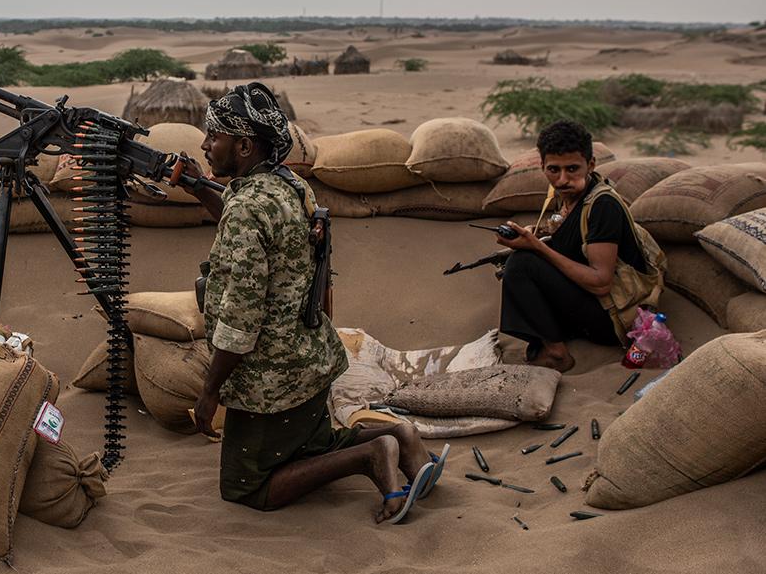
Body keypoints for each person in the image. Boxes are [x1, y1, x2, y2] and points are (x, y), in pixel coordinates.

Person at [180, 82, 441, 523]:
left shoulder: (248, 207)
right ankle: (402, 436)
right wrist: (196, 184)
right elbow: (244, 214)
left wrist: (210, 392)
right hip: (310, 361)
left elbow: (240, 321)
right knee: (313, 448)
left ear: (243, 146)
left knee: (248, 487)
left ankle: (372, 454)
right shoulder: (291, 187)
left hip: (271, 379)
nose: (205, 145)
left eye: (214, 136)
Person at [495, 119, 665, 372]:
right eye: (553, 170)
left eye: (572, 169)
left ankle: (557, 354)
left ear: (591, 164)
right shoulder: (563, 195)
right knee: (515, 260)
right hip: (587, 300)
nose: (563, 179)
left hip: (613, 317)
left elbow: (601, 282)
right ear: (542, 166)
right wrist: (535, 234)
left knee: (521, 264)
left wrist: (537, 247)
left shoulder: (602, 205)